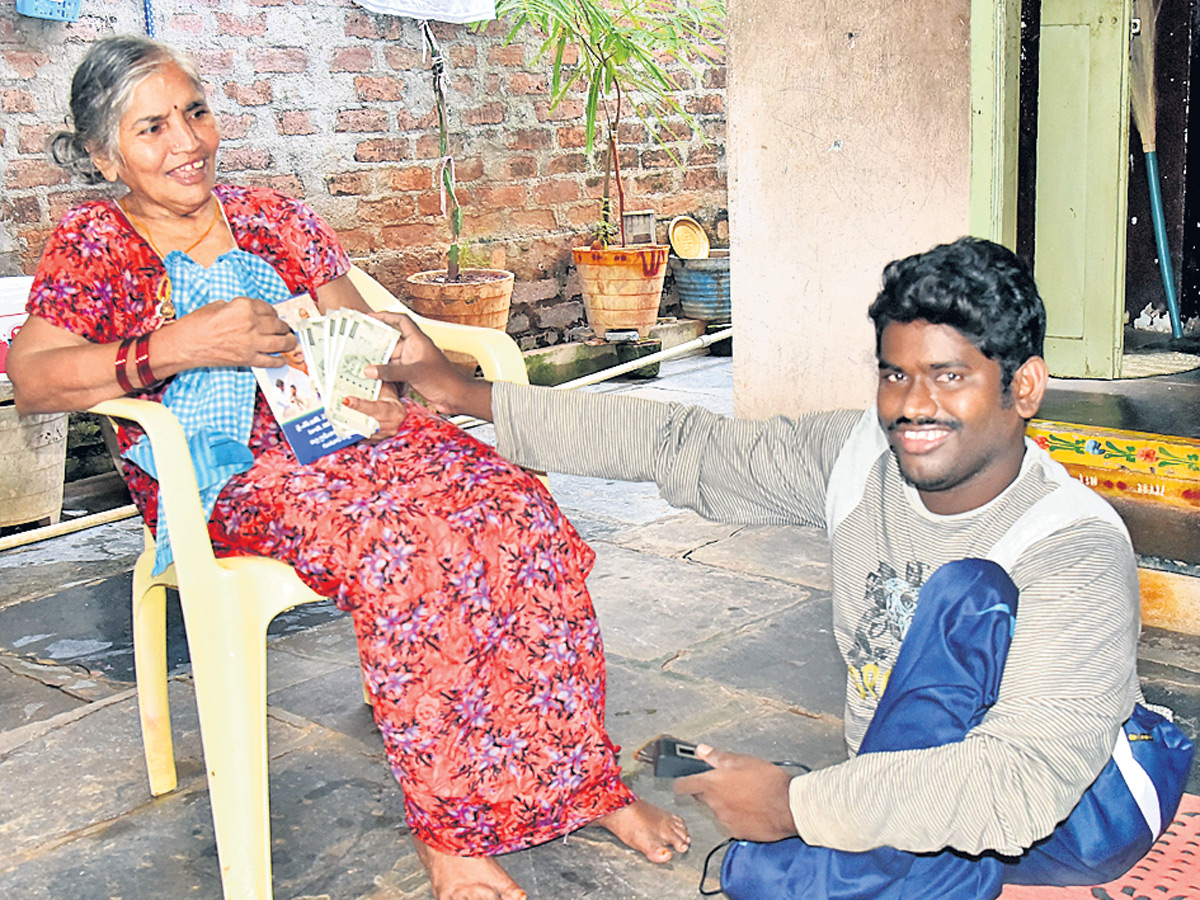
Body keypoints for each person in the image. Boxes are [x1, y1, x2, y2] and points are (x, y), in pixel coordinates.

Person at [7, 35, 689, 900]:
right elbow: (33, 381)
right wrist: (180, 345)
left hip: (347, 434)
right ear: (106, 155)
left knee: (518, 510)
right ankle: (451, 834)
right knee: (407, 549)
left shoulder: (273, 217)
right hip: (232, 472)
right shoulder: (93, 243)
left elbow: (363, 333)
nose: (187, 141)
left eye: (196, 112)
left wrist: (395, 353)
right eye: (153, 127)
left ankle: (581, 783)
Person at [367, 237, 1193, 899]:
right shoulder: (859, 458)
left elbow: (1018, 787)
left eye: (950, 377)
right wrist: (465, 394)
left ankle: (807, 865)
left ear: (1023, 388)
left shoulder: (1072, 544)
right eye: (895, 373)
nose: (911, 405)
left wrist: (795, 805)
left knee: (968, 599)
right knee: (891, 839)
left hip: (1074, 810)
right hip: (905, 778)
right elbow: (679, 445)